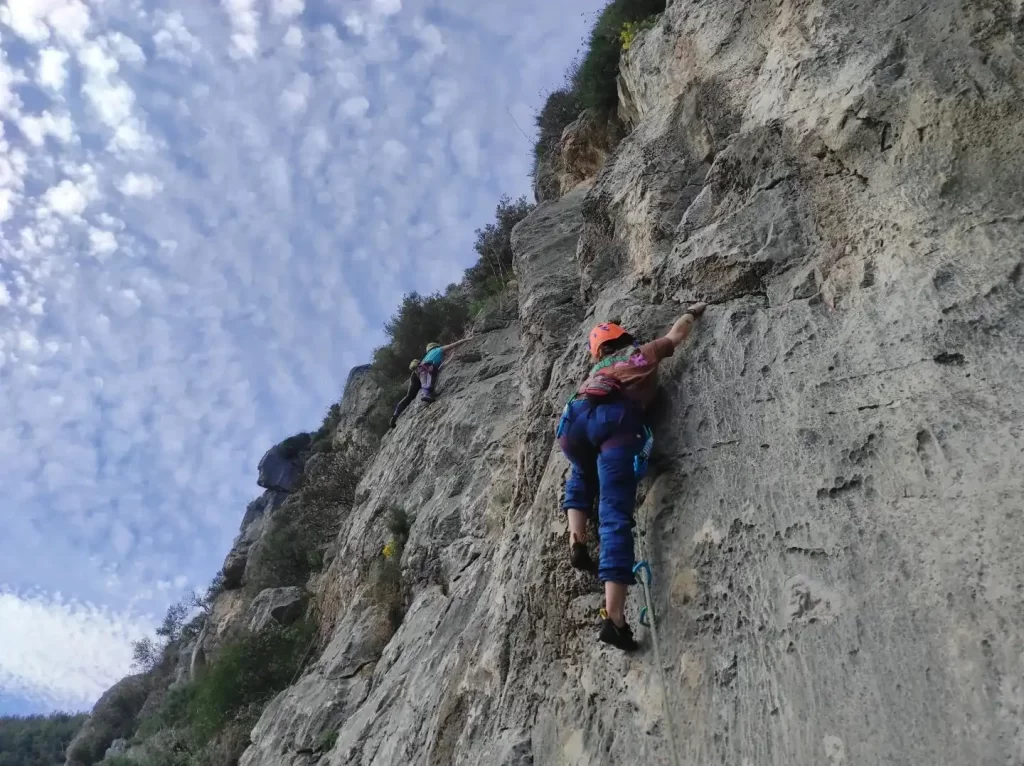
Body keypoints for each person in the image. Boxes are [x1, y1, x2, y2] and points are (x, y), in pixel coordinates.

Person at [557, 303, 707, 651]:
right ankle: (615, 618)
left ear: (598, 352)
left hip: (573, 422)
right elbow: (677, 334)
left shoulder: (595, 374)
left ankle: (576, 540)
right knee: (614, 515)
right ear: (623, 340)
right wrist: (691, 312)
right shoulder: (639, 356)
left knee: (580, 472)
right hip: (616, 422)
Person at [417, 336, 473, 402]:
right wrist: (468, 339)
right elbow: (454, 344)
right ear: (435, 346)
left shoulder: (426, 356)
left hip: (421, 368)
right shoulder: (438, 349)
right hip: (429, 366)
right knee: (429, 381)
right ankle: (427, 394)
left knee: (424, 384)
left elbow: (441, 366)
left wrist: (450, 358)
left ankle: (426, 394)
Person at [388, 360, 422, 430]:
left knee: (408, 397)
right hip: (415, 381)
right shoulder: (416, 372)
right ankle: (394, 417)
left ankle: (394, 416)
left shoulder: (415, 371)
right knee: (409, 397)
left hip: (415, 379)